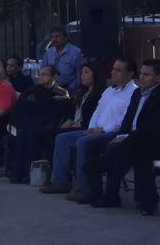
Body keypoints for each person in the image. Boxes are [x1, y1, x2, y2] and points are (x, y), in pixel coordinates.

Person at [45, 59, 137, 201]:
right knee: (61, 139)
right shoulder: (109, 91)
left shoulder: (133, 92)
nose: (113, 72)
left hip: (112, 133)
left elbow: (125, 118)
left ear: (130, 74)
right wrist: (92, 127)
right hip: (95, 130)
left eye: (118, 70)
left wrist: (101, 130)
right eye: (113, 69)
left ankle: (86, 189)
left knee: (83, 142)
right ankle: (60, 182)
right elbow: (98, 111)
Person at [86, 59, 160, 211]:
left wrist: (127, 137)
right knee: (93, 145)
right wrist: (123, 134)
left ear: (159, 77)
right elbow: (128, 118)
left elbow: (153, 125)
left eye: (147, 74)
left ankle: (109, 185)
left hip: (148, 138)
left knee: (117, 151)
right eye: (141, 74)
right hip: (130, 136)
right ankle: (95, 191)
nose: (142, 78)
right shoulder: (138, 92)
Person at [7, 64, 71, 183]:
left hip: (48, 124)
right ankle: (18, 173)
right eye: (39, 74)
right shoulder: (33, 90)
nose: (41, 77)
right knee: (23, 134)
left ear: (54, 76)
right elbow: (21, 107)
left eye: (45, 74)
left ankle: (30, 173)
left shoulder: (61, 93)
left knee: (32, 134)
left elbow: (62, 111)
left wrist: (52, 102)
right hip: (28, 122)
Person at [43, 26, 84, 91]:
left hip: (69, 89)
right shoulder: (48, 53)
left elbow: (80, 74)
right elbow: (42, 71)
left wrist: (69, 89)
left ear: (65, 38)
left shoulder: (75, 52)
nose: (54, 39)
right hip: (50, 89)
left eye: (57, 36)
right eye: (52, 37)